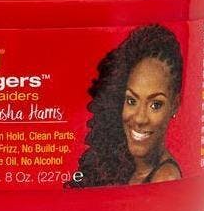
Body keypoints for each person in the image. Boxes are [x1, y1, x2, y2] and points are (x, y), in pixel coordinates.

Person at [67, 24, 183, 188]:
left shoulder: (165, 178)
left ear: (174, 105)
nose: (140, 118)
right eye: (132, 101)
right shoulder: (123, 166)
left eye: (155, 104)